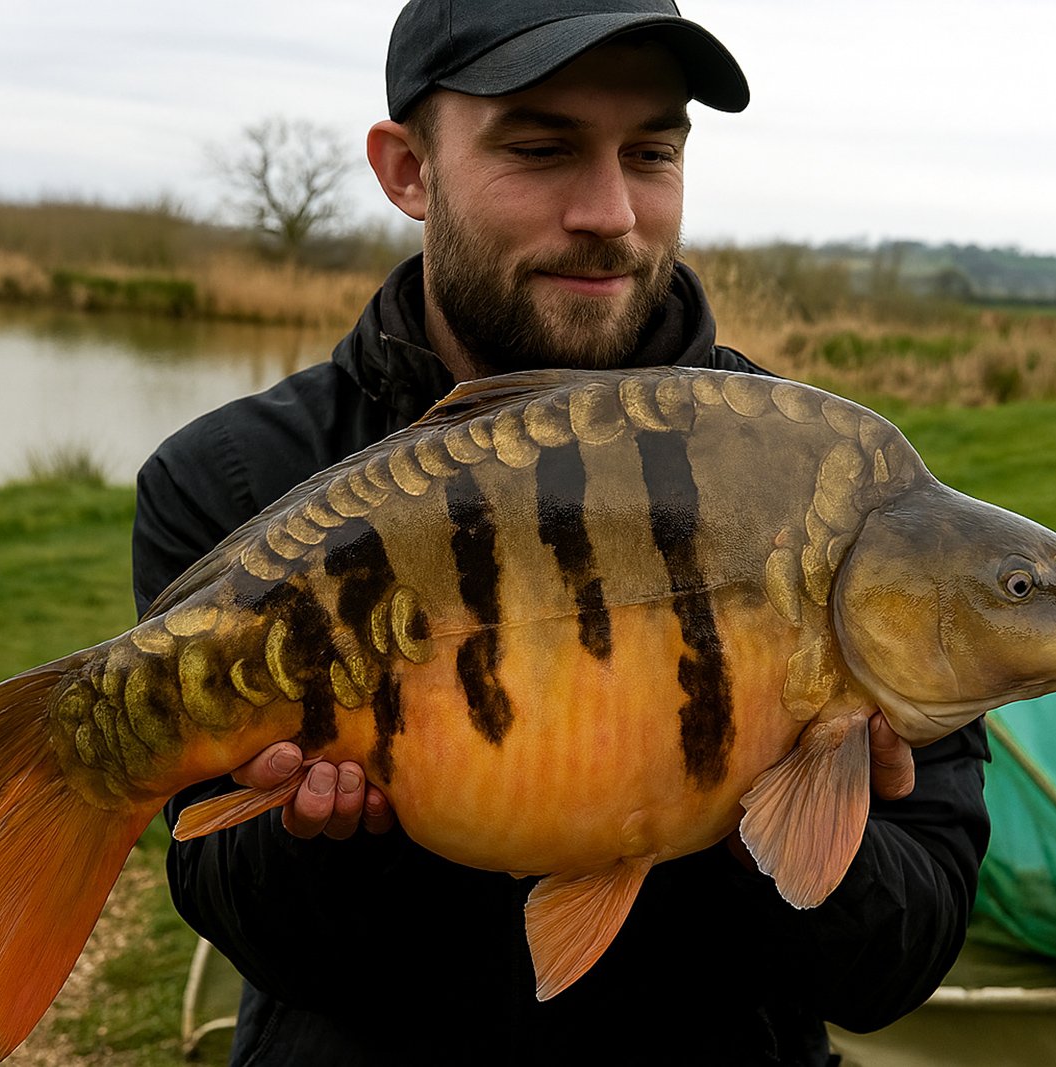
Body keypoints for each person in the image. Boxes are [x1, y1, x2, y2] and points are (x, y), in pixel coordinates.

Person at [132, 2, 989, 1063]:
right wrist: (342, 837)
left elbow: (899, 961)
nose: (609, 210)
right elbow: (238, 909)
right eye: (540, 149)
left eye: (652, 151)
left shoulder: (831, 495)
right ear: (407, 169)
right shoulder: (235, 478)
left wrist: (761, 795)